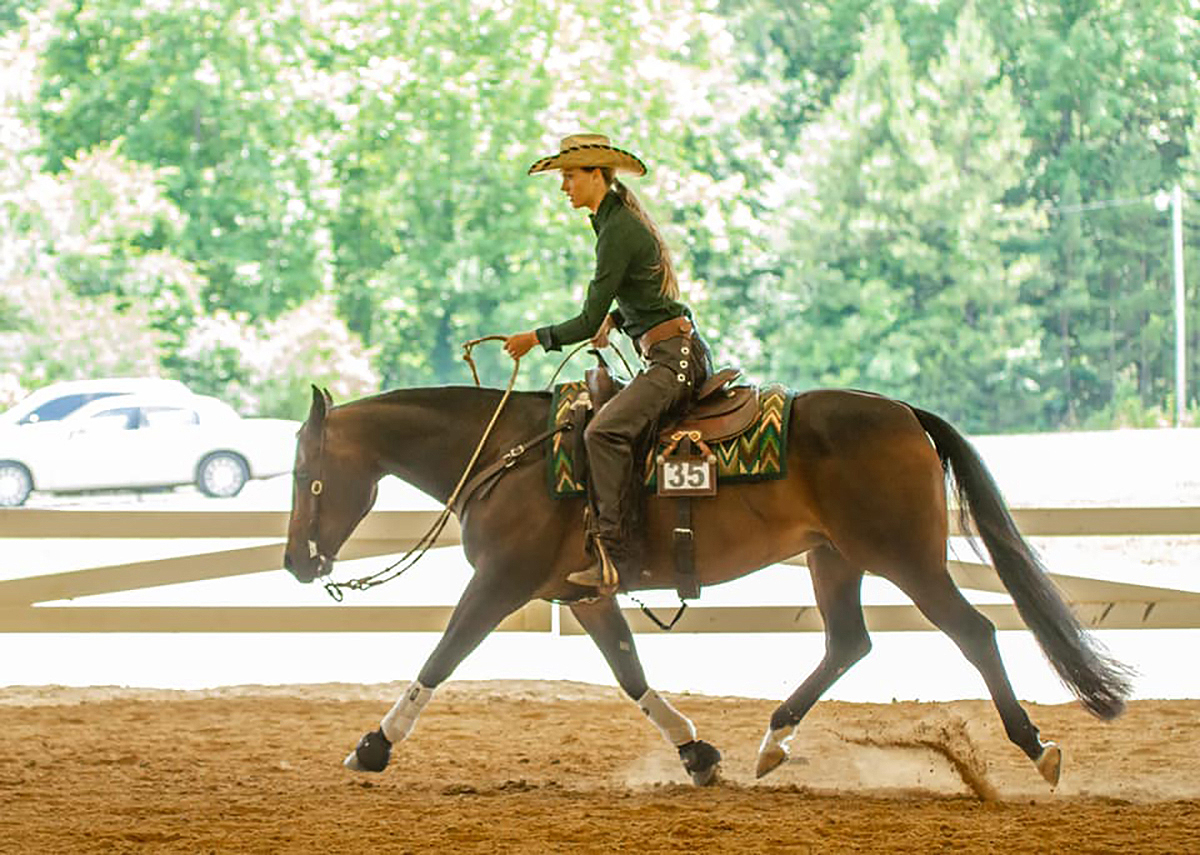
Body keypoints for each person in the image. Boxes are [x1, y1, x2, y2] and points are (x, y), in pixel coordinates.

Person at [505, 133, 711, 590]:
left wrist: (535, 338)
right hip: (668, 350)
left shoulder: (617, 231)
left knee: (604, 432)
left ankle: (615, 554)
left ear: (596, 176)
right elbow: (643, 294)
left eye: (570, 176)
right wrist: (618, 319)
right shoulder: (613, 222)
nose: (564, 187)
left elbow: (584, 320)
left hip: (672, 360)